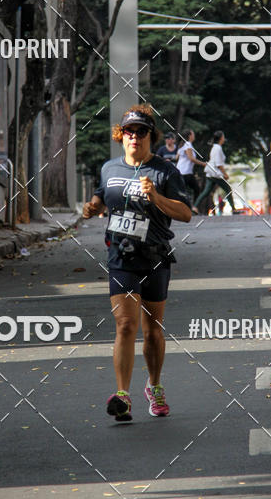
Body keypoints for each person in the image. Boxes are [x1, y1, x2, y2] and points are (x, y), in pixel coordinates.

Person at [82, 105, 192, 422]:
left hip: (155, 257)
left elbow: (185, 213)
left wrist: (156, 197)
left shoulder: (165, 171)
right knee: (125, 325)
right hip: (121, 257)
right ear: (121, 136)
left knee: (153, 330)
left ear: (150, 137)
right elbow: (101, 195)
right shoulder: (110, 168)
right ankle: (123, 395)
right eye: (129, 131)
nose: (134, 136)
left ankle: (154, 386)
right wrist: (93, 206)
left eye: (141, 131)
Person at [193, 130, 236, 214]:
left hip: (210, 173)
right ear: (221, 138)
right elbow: (219, 164)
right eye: (223, 137)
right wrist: (225, 174)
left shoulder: (214, 147)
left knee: (206, 192)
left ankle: (195, 206)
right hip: (216, 174)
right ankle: (234, 209)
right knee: (228, 189)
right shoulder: (218, 148)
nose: (224, 138)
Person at [176, 129, 207, 214]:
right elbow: (191, 158)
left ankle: (190, 207)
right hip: (185, 172)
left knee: (186, 191)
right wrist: (203, 164)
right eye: (193, 134)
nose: (194, 135)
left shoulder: (182, 145)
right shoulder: (188, 145)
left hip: (183, 171)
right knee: (195, 189)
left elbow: (176, 158)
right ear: (190, 136)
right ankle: (191, 207)